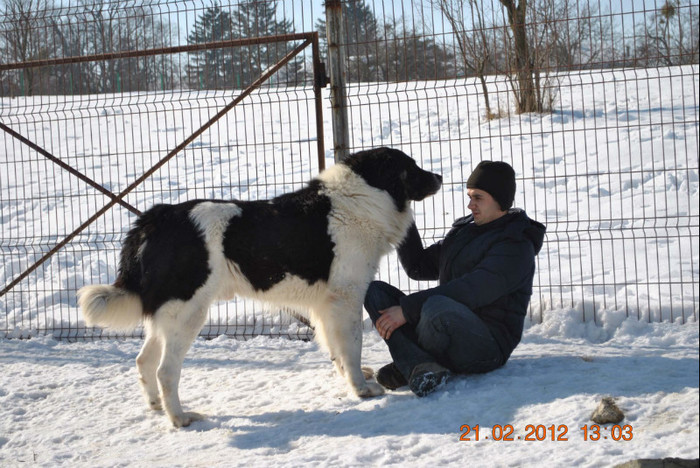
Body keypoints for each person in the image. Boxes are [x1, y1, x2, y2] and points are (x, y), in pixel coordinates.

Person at [364, 160, 546, 397]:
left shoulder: (516, 245)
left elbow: (471, 290)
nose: (470, 205)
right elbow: (418, 267)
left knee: (436, 307)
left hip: (486, 345)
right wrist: (401, 215)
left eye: (478, 198)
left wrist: (407, 310)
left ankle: (411, 364)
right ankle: (420, 366)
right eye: (470, 197)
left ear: (500, 199)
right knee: (375, 291)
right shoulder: (465, 232)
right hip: (443, 328)